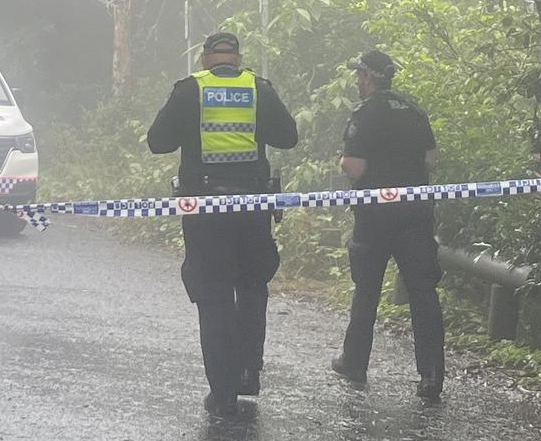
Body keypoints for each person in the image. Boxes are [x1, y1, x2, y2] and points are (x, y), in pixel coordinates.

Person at [147, 32, 298, 415]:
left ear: (204, 59)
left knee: (213, 294)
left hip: (206, 209)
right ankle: (248, 371)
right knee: (251, 285)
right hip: (253, 207)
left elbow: (158, 142)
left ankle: (223, 392)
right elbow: (288, 137)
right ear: (238, 58)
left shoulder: (189, 91)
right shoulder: (258, 88)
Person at [331, 50, 446, 398]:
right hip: (416, 214)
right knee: (423, 293)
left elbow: (354, 167)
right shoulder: (413, 108)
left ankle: (355, 362)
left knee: (367, 289)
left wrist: (342, 163)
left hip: (375, 217)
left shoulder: (365, 113)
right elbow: (430, 160)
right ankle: (431, 375)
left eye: (359, 75)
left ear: (368, 77)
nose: (356, 81)